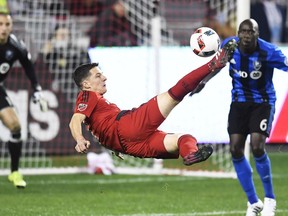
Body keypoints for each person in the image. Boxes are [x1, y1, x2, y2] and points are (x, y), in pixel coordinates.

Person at [69, 39, 237, 168]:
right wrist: (79, 139)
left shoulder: (97, 104)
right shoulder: (86, 95)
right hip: (128, 126)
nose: (104, 77)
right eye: (98, 76)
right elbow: (75, 120)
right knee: (175, 93)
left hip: (130, 147)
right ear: (86, 84)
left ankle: (190, 155)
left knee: (183, 140)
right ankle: (215, 62)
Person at [220, 19, 287, 216]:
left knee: (257, 146)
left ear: (258, 34)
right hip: (239, 103)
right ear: (238, 33)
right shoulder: (230, 46)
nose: (246, 35)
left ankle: (270, 200)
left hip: (263, 103)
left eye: (251, 32)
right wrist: (202, 83)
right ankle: (253, 202)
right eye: (243, 31)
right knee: (235, 149)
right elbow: (217, 65)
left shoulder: (269, 52)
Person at [0, 12, 45, 188]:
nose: (3, 28)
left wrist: (37, 89)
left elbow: (29, 69)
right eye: (0, 24)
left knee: (16, 126)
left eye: (6, 24)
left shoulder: (16, 46)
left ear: (11, 26)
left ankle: (14, 172)